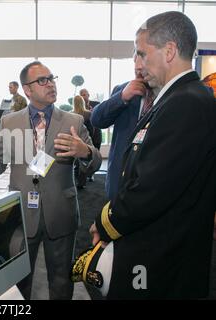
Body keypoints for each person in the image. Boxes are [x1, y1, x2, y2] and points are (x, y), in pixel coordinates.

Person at [89, 11, 216, 299]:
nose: (138, 64)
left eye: (143, 54)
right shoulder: (179, 98)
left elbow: (149, 189)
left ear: (169, 51)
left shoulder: (185, 103)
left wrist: (104, 223)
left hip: (163, 259)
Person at [0, 61, 101, 300]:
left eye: (52, 78)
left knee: (61, 279)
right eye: (43, 80)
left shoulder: (73, 122)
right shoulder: (10, 122)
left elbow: (95, 162)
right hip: (21, 215)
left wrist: (86, 152)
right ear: (27, 90)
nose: (51, 84)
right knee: (19, 279)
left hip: (60, 211)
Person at [90, 65, 159, 202]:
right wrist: (121, 97)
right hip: (119, 183)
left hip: (153, 183)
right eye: (136, 58)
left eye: (143, 56)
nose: (138, 66)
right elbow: (97, 119)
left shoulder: (171, 94)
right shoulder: (123, 89)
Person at [79, 88, 102, 182]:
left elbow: (101, 117)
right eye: (81, 95)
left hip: (96, 134)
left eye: (84, 94)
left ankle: (91, 174)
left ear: (88, 95)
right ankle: (83, 178)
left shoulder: (96, 104)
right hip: (85, 136)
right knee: (84, 158)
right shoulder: (79, 106)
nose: (83, 96)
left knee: (95, 155)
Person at [72, 95, 93, 189]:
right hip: (87, 140)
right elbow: (93, 130)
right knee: (85, 162)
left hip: (75, 141)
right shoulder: (88, 114)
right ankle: (82, 181)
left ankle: (76, 180)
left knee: (76, 162)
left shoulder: (70, 114)